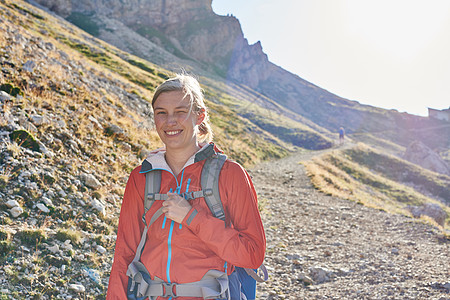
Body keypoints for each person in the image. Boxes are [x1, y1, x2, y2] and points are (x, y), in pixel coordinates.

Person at [106, 74, 266, 299]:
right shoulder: (141, 178)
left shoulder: (230, 174)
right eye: (161, 113)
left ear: (199, 115)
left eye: (180, 112)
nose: (170, 121)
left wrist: (192, 218)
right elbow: (124, 253)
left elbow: (252, 254)